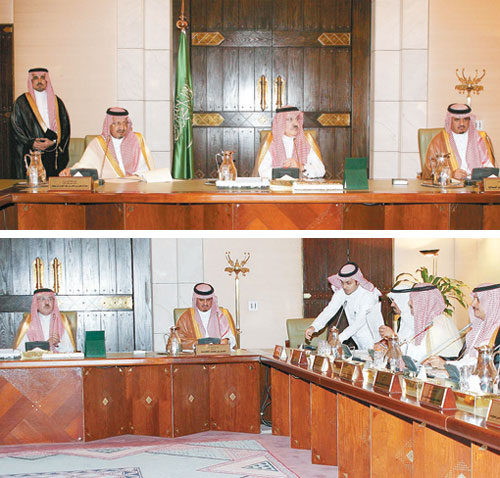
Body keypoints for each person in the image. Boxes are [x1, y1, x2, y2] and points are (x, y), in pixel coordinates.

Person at [60, 107, 159, 179]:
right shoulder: (98, 144)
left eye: (125, 123)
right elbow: (85, 166)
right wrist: (70, 172)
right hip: (108, 191)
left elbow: (146, 169)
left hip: (134, 189)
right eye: (117, 123)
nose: (122, 128)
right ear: (109, 125)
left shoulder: (137, 140)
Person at [304, 262, 383, 350]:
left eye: (348, 283)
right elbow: (330, 310)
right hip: (357, 338)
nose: (344, 286)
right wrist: (314, 327)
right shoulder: (342, 292)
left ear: (358, 282)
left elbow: (359, 321)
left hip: (373, 340)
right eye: (342, 282)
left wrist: (340, 338)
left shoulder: (368, 296)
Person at [10, 68, 71, 178]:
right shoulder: (21, 102)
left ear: (47, 80)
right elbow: (15, 127)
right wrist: (31, 142)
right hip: (31, 152)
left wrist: (53, 142)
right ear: (31, 81)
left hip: (52, 152)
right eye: (35, 78)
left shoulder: (57, 102)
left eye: (42, 77)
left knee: (51, 183)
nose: (39, 81)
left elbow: (65, 127)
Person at [379, 284, 461, 362]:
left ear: (423, 305)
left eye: (412, 305)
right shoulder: (427, 322)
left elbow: (420, 357)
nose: (409, 304)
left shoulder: (436, 326)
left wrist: (394, 339)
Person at [425, 283, 500, 369]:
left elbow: (494, 366)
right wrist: (439, 360)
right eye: (474, 299)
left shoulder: (497, 331)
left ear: (492, 303)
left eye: (478, 299)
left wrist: (446, 364)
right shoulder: (476, 329)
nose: (473, 304)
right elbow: (462, 359)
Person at [423, 103, 495, 180]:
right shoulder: (439, 141)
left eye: (465, 119)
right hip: (450, 185)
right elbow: (429, 171)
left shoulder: (478, 138)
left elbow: (488, 167)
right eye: (457, 120)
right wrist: (451, 174)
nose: (462, 123)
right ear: (450, 120)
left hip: (476, 183)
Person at [253, 106, 325, 179]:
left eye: (297, 119)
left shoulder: (307, 141)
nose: (296, 124)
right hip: (277, 185)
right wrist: (288, 172)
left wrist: (300, 166)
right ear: (280, 122)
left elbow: (321, 171)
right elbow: (263, 172)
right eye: (290, 119)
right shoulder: (271, 142)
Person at [12, 288, 76, 353]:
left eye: (50, 299)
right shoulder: (28, 322)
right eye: (42, 299)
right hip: (35, 359)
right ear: (36, 303)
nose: (47, 302)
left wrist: (58, 344)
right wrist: (46, 345)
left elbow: (70, 350)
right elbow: (19, 350)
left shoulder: (62, 320)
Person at [176, 283, 236, 350]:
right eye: (201, 300)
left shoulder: (221, 315)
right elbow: (179, 341)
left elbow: (232, 338)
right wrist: (195, 344)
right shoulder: (186, 317)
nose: (205, 303)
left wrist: (227, 341)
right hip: (196, 355)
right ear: (195, 300)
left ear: (212, 300)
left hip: (219, 353)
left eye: (208, 300)